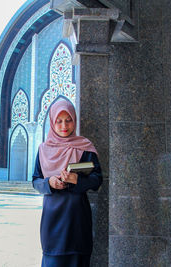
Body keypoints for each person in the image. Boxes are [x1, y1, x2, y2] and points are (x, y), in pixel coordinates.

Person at [32, 99, 103, 267]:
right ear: (52, 122)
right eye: (59, 121)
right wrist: (50, 183)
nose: (64, 125)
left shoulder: (85, 147)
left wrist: (78, 180)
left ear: (74, 120)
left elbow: (97, 179)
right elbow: (35, 181)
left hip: (77, 219)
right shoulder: (43, 149)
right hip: (53, 220)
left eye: (68, 119)